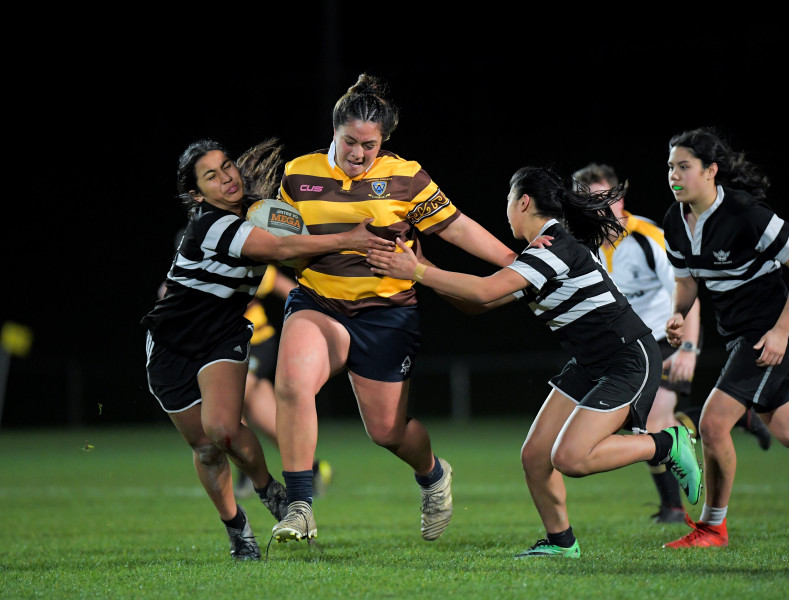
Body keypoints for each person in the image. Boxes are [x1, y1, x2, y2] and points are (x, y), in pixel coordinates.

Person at [367, 165, 703, 558]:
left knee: (571, 458)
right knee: (535, 455)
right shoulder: (539, 252)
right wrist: (425, 268)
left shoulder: (553, 245)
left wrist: (419, 271)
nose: (506, 209)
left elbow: (484, 290)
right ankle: (562, 543)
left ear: (523, 201)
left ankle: (667, 443)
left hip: (627, 356)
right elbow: (480, 304)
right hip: (591, 362)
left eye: (508, 200)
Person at [269, 73, 520, 545]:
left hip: (387, 313)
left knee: (387, 432)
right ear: (334, 130)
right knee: (293, 382)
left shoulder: (405, 176)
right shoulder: (298, 175)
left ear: (383, 141)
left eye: (370, 144)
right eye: (350, 141)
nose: (358, 153)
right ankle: (300, 506)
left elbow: (455, 227)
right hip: (320, 300)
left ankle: (433, 475)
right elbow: (283, 242)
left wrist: (513, 261)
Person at [141, 138, 393, 560]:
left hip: (223, 336)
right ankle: (237, 527)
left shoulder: (261, 212)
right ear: (197, 195)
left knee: (223, 428)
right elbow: (280, 249)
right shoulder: (209, 224)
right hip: (171, 344)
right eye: (211, 176)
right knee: (205, 448)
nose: (227, 178)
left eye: (227, 166)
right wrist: (350, 239)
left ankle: (267, 489)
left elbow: (294, 244)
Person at [661, 127, 789, 548]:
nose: (674, 176)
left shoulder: (744, 213)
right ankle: (712, 528)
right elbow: (687, 282)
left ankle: (713, 528)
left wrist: (780, 332)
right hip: (738, 335)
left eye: (684, 166)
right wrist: (678, 314)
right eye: (670, 167)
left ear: (711, 171)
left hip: (767, 334)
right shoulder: (675, 220)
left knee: (712, 423)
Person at [571, 162, 703, 524]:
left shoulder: (648, 237)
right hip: (632, 346)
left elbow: (687, 291)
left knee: (656, 420)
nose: (598, 208)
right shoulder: (585, 244)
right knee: (645, 426)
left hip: (668, 336)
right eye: (588, 201)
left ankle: (673, 508)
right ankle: (731, 416)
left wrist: (689, 349)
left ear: (620, 200)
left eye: (604, 199)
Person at [235, 264, 332, 499]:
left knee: (227, 400)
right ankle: (313, 469)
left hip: (256, 343)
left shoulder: (243, 263)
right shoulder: (191, 273)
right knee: (267, 418)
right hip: (226, 349)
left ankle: (247, 473)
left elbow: (289, 289)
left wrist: (308, 323)